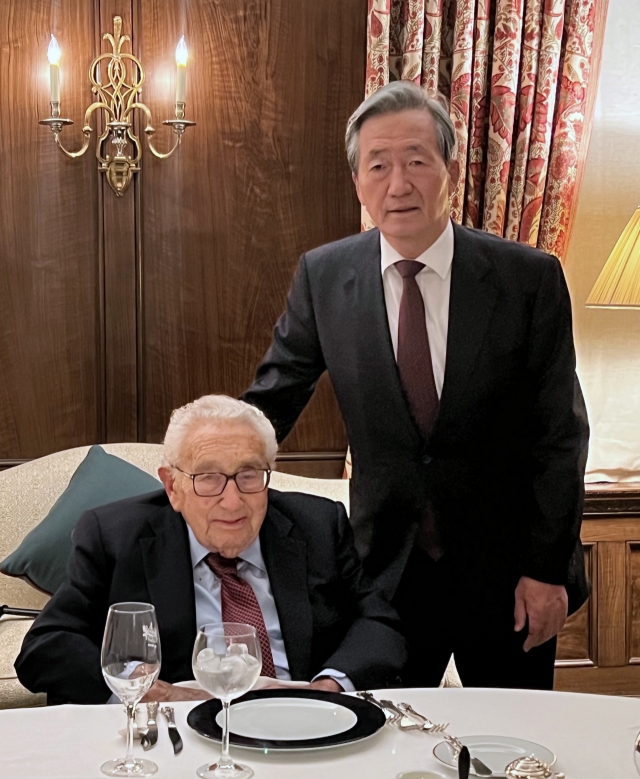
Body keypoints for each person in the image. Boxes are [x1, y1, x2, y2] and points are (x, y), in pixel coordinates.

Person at [242, 81, 590, 690]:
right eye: (377, 165)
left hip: (509, 576)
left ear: (449, 170)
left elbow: (559, 434)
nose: (397, 184)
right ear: (358, 182)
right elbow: (272, 399)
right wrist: (205, 462)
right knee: (379, 744)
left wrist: (546, 568)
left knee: (512, 748)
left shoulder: (527, 279)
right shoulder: (324, 276)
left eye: (416, 161)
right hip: (386, 579)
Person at [16, 395, 406, 704]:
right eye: (208, 478)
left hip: (300, 721)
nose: (233, 501)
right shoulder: (115, 536)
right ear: (172, 487)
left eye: (249, 476)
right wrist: (151, 690)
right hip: (178, 730)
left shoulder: (318, 525)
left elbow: (378, 622)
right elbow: (46, 647)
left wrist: (327, 689)